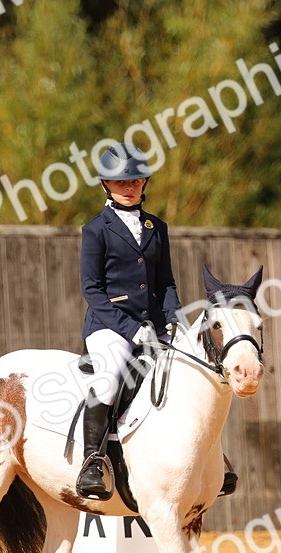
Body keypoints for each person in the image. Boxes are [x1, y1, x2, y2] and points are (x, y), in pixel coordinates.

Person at [76, 142, 181, 500]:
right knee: (108, 380)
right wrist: (131, 329)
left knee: (186, 373)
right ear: (106, 185)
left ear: (144, 183)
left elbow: (165, 282)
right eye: (122, 183)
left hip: (153, 324)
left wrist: (174, 320)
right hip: (110, 325)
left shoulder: (157, 226)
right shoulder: (96, 230)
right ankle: (93, 461)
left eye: (136, 181)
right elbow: (92, 290)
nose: (129, 187)